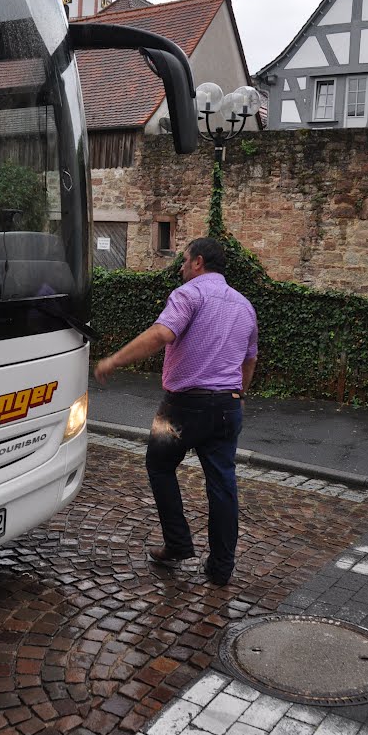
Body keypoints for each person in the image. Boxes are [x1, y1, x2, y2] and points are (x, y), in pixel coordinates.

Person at [94, 237, 258, 585]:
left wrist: (114, 359)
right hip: (227, 408)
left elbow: (160, 334)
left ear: (198, 262)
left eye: (183, 261)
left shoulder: (189, 294)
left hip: (182, 408)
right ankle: (220, 569)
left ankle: (179, 544)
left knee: (159, 464)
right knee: (223, 485)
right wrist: (239, 393)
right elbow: (250, 358)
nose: (181, 267)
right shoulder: (244, 305)